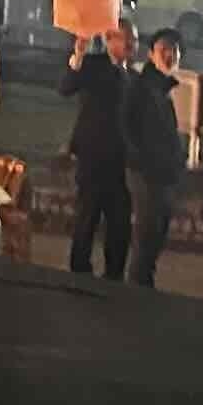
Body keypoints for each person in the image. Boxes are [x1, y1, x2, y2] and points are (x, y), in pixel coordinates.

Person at [62, 17, 139, 278]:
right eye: (125, 38)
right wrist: (78, 56)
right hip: (93, 157)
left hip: (121, 162)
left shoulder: (134, 77)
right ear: (108, 40)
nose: (131, 44)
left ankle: (114, 275)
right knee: (87, 216)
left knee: (119, 223)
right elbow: (66, 87)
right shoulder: (94, 66)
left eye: (134, 38)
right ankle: (79, 272)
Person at [123, 29, 190, 290]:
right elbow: (127, 126)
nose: (170, 55)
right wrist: (141, 162)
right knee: (148, 235)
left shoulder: (160, 88)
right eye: (164, 50)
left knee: (155, 234)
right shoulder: (143, 87)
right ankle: (138, 290)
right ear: (151, 54)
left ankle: (142, 286)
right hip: (147, 174)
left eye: (175, 50)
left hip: (161, 173)